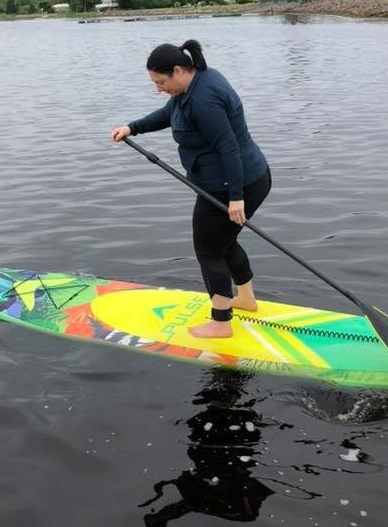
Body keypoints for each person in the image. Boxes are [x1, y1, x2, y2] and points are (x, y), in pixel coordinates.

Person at [110, 40, 271, 339]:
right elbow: (170, 112)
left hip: (232, 185)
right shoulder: (196, 82)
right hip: (246, 178)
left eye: (160, 82)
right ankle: (246, 300)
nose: (158, 88)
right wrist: (133, 127)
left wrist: (235, 197)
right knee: (223, 241)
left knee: (209, 250)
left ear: (178, 71)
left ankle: (221, 323)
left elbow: (228, 147)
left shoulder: (204, 100)